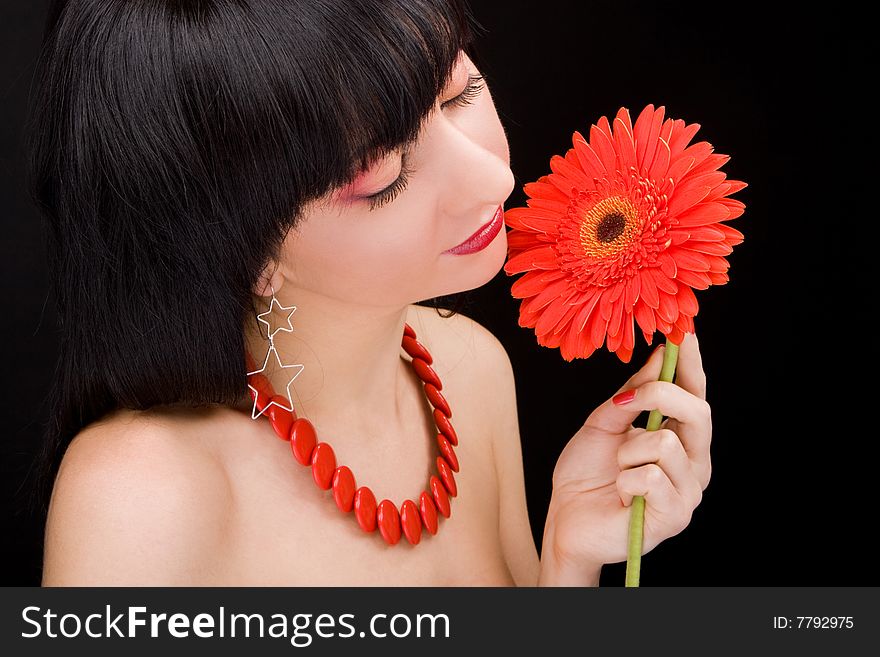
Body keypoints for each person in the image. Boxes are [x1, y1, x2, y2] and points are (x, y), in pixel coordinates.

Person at [27, 0, 711, 586]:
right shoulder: (139, 497)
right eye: (382, 174)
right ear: (248, 254)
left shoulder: (470, 367)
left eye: (460, 92)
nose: (491, 182)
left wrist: (569, 558)